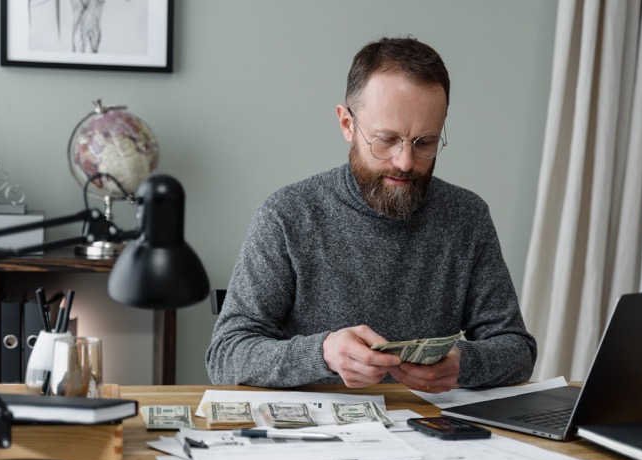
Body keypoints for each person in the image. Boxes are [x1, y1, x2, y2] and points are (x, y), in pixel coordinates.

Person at [206, 36, 536, 393]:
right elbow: (225, 355)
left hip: (431, 433)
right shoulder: (286, 215)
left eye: (425, 142)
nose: (405, 161)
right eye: (386, 139)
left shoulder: (466, 217)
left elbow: (517, 350)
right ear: (347, 124)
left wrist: (463, 364)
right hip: (315, 436)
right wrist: (323, 354)